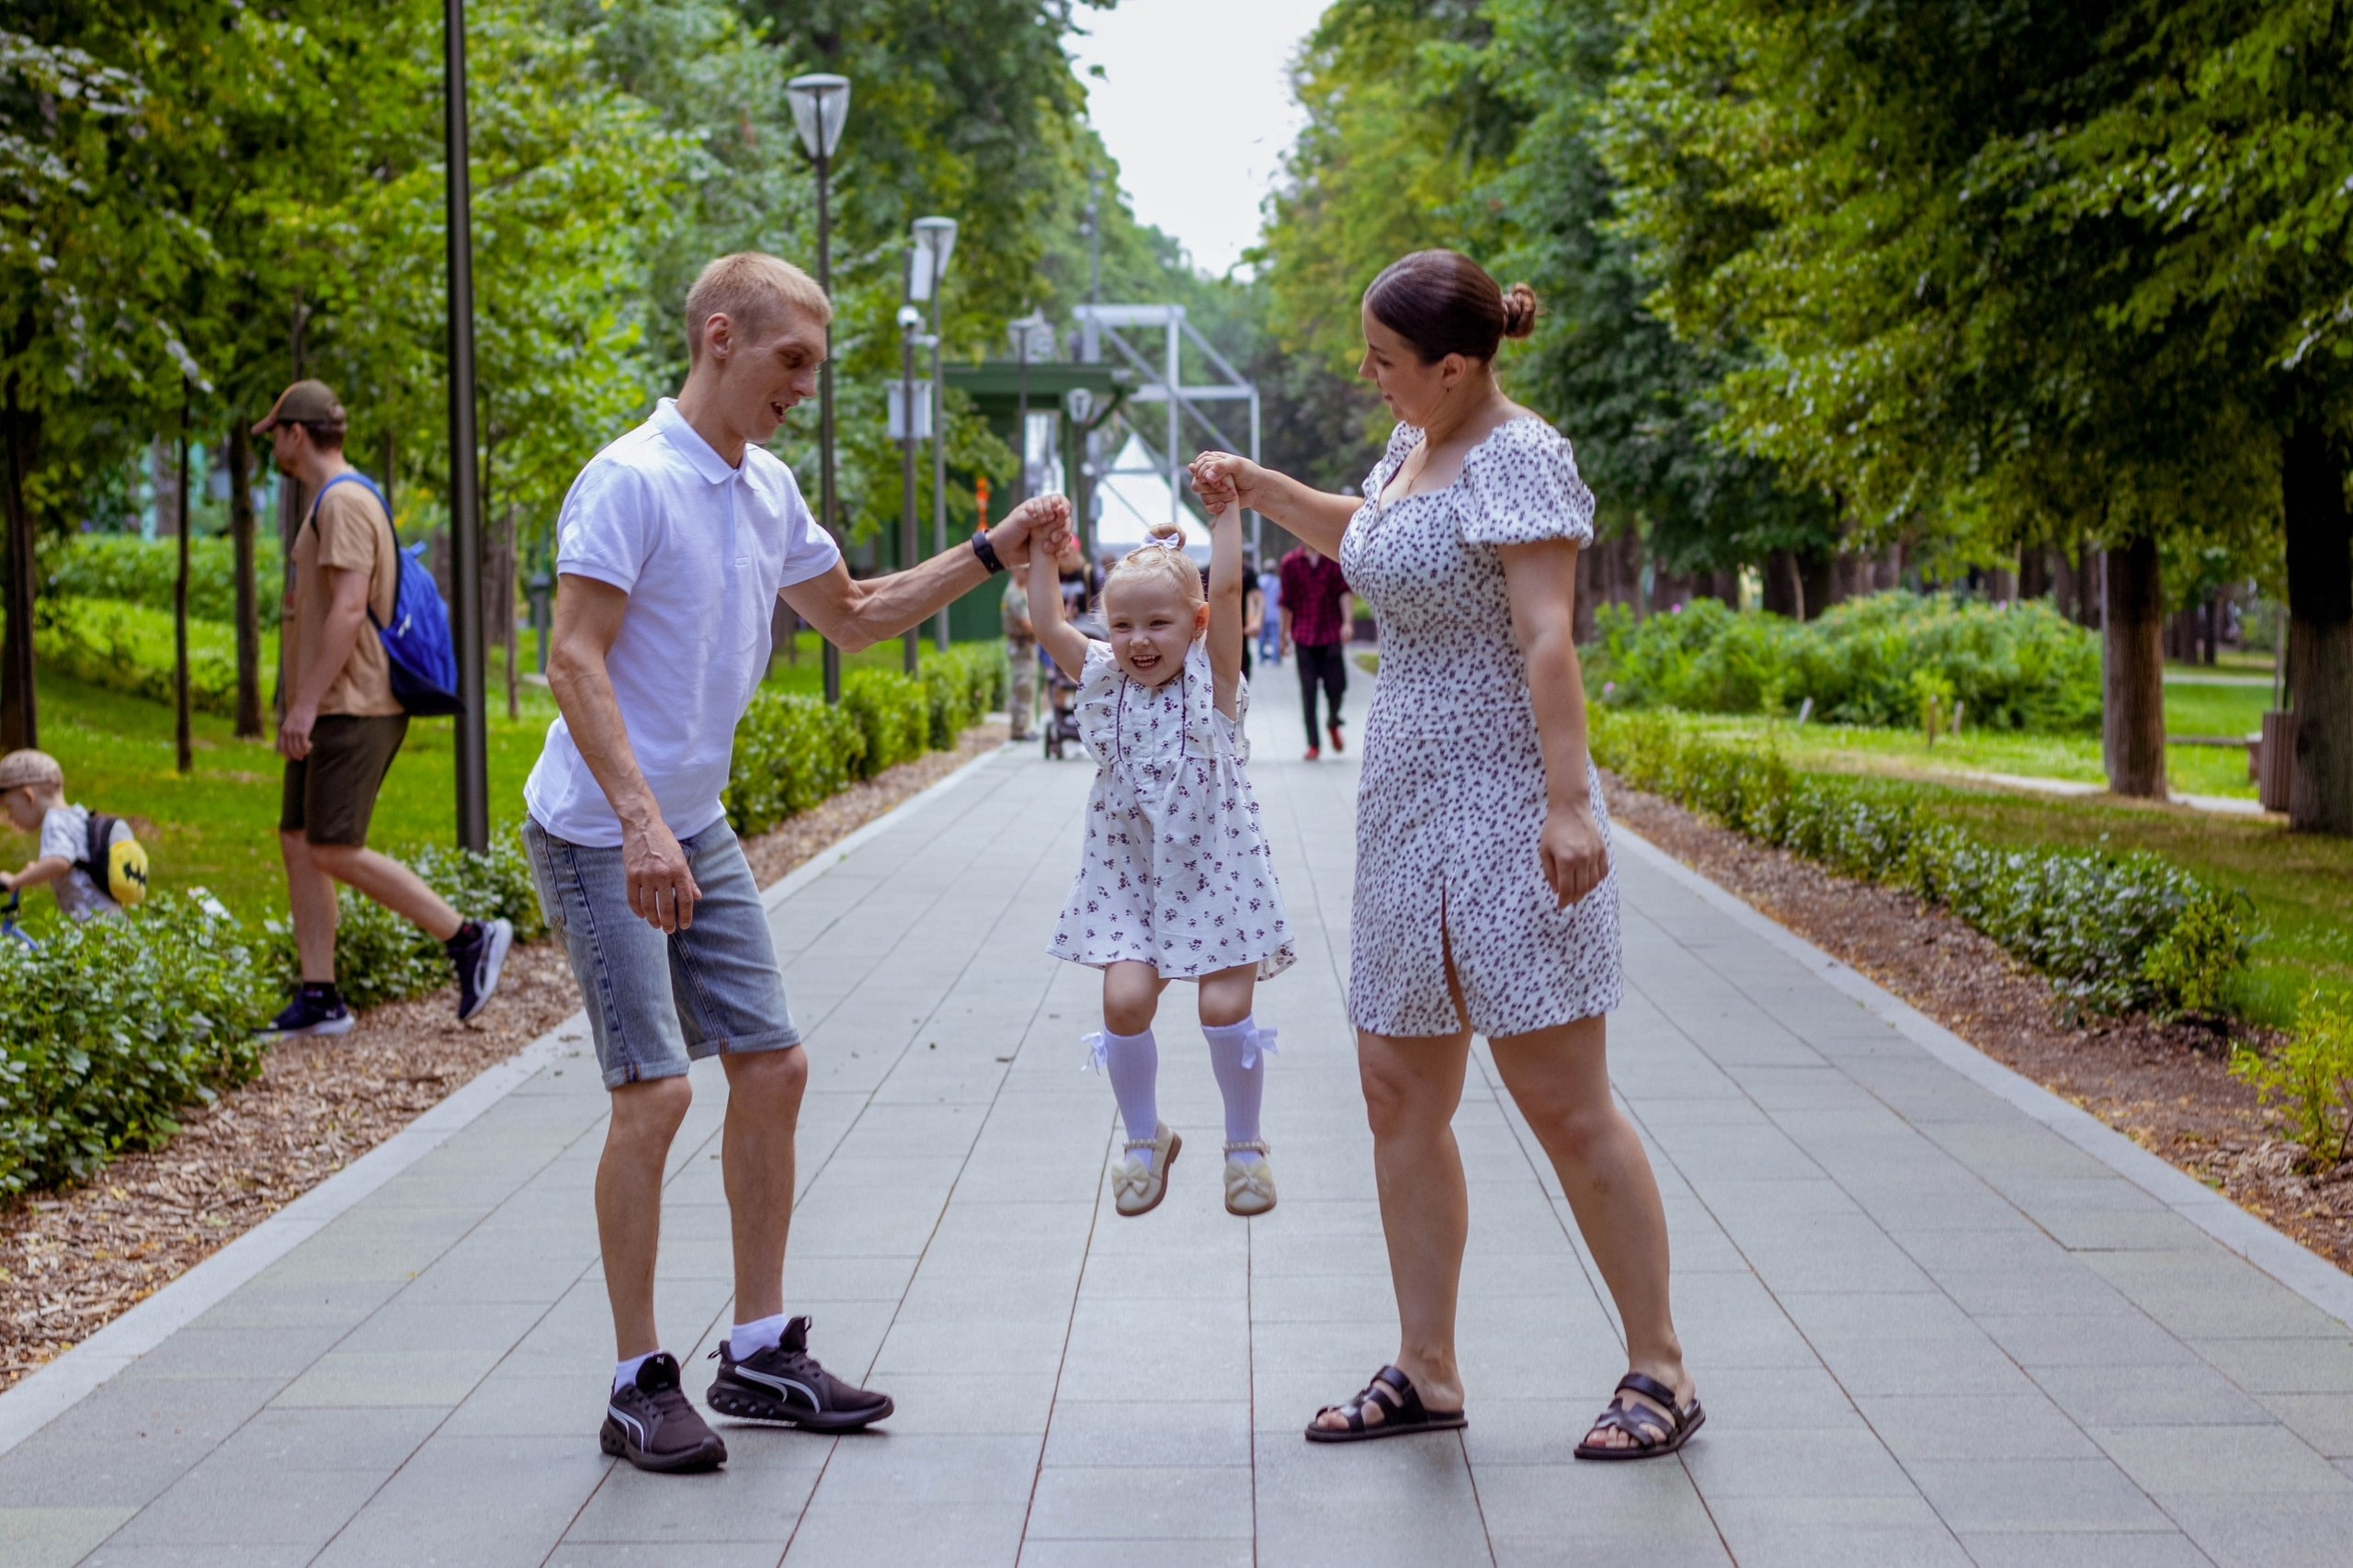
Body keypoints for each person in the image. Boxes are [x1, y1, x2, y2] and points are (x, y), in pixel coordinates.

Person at [526, 252, 1069, 1475]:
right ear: (721, 337)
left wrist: (996, 546)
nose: (807, 389)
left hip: (691, 816)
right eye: (795, 364)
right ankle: (635, 1378)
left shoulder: (765, 488)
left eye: (815, 368)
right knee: (657, 1092)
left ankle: (760, 1349)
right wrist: (641, 823)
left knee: (773, 1067)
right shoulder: (628, 479)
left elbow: (860, 612)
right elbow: (574, 660)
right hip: (600, 822)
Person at [1191, 249, 1699, 1460]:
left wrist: (1569, 803)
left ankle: (1661, 1368)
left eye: (1383, 361)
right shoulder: (1414, 447)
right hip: (1405, 806)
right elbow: (1366, 535)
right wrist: (1259, 487)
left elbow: (1546, 636)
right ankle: (1426, 1368)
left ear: (1456, 366)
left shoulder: (1521, 455)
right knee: (1397, 1095)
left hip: (1508, 801)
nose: (1370, 379)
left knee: (1564, 1103)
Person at [1029, 498, 1292, 1222]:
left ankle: (1245, 1147)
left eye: (1158, 624)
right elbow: (1050, 623)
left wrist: (1230, 512)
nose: (1138, 641)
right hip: (1129, 881)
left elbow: (1233, 590)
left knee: (1224, 1006)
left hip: (1218, 872)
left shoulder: (1215, 683)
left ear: (1198, 624)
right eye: (1122, 625)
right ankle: (1146, 1138)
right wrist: (1043, 552)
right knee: (1123, 1003)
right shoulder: (1105, 677)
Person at [257, 380, 511, 1040]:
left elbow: (347, 608)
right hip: (336, 702)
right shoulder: (340, 497)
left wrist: (304, 706)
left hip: (353, 703)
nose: (273, 449)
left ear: (298, 434)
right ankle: (321, 996)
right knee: (298, 840)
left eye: (276, 435)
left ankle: (468, 937)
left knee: (335, 846)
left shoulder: (341, 503)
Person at [0, 749, 128, 921]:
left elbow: (60, 862)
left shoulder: (53, 821)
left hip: (93, 924)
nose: (9, 816)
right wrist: (35, 871)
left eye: (9, 807)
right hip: (112, 917)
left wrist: (15, 881)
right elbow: (76, 859)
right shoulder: (78, 814)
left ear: (28, 796)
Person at [1280, 538, 1352, 760]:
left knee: (1337, 686)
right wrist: (1284, 634)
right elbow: (1286, 601)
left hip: (1331, 632)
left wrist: (1348, 623)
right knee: (1308, 692)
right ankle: (1313, 744)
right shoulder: (1290, 563)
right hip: (1304, 636)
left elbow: (1344, 592)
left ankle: (1333, 720)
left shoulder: (1333, 560)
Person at [1002, 570, 1038, 741]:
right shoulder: (1015, 594)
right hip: (1021, 645)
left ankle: (1024, 727)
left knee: (1027, 686)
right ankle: (1019, 729)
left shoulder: (1022, 590)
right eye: (1023, 569)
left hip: (1026, 645)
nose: (1027, 573)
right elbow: (1026, 623)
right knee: (1022, 686)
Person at [1256, 559, 1283, 666]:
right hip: (1275, 613)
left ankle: (1262, 657)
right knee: (1275, 637)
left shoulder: (1260, 581)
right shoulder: (1278, 582)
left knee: (1261, 637)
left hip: (1262, 614)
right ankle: (1275, 658)